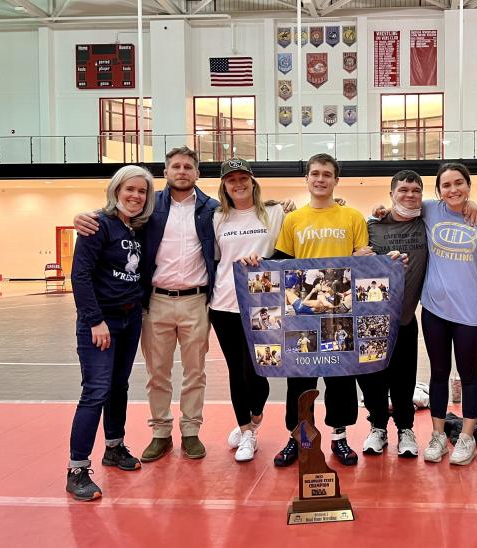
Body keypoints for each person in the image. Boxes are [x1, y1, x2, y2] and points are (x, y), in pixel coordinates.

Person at [75, 146, 218, 462]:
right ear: (165, 172)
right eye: (176, 166)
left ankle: (191, 431)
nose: (182, 172)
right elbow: (114, 216)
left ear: (197, 173)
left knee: (195, 372)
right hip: (156, 301)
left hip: (195, 301)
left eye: (188, 167)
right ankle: (161, 433)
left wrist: (280, 207)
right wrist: (82, 216)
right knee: (158, 373)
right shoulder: (149, 208)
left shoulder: (212, 209)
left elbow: (243, 216)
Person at [246, 153, 372, 467]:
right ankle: (299, 437)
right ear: (307, 179)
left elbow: (363, 261)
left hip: (339, 314)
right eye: (315, 173)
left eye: (327, 174)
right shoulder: (294, 220)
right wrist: (257, 264)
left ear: (336, 180)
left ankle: (339, 438)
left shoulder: (352, 217)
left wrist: (372, 258)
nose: (320, 179)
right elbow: (281, 262)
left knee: (340, 379)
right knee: (300, 380)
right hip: (302, 315)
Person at [66, 165, 155, 501]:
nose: (135, 195)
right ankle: (77, 469)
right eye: (129, 189)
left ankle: (114, 447)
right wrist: (95, 321)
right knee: (96, 391)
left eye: (142, 191)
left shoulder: (136, 229)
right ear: (116, 190)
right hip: (101, 322)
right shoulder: (97, 225)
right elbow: (80, 276)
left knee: (119, 387)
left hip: (130, 319)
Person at [210, 158, 285, 462]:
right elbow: (216, 259)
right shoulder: (217, 218)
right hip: (223, 303)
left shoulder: (275, 212)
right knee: (235, 370)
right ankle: (246, 432)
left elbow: (287, 247)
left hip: (263, 304)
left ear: (253, 181)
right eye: (231, 180)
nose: (238, 184)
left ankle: (254, 417)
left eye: (243, 178)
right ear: (224, 186)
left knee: (257, 369)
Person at [421, 163, 477, 466]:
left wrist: (473, 206)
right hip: (434, 308)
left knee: (469, 374)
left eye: (459, 183)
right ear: (438, 190)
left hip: (469, 312)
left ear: (468, 185)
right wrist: (379, 211)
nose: (453, 189)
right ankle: (438, 435)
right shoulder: (428, 210)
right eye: (446, 185)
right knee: (438, 373)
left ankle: (466, 437)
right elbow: (398, 210)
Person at [356, 170, 429, 458]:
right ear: (391, 194)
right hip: (372, 320)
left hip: (405, 319)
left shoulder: (427, 223)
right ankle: (377, 427)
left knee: (404, 379)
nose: (410, 195)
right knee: (373, 379)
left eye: (416, 190)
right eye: (403, 190)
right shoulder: (372, 225)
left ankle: (405, 429)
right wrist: (358, 257)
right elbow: (353, 259)